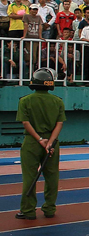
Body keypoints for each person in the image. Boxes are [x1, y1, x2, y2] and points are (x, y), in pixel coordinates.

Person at [15, 68, 65, 220]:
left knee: (29, 177)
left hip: (32, 141)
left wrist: (39, 139)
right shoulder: (58, 101)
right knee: (51, 176)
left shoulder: (25, 101)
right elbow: (59, 123)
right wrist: (49, 142)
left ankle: (28, 211)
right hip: (52, 141)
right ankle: (49, 209)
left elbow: (25, 122)